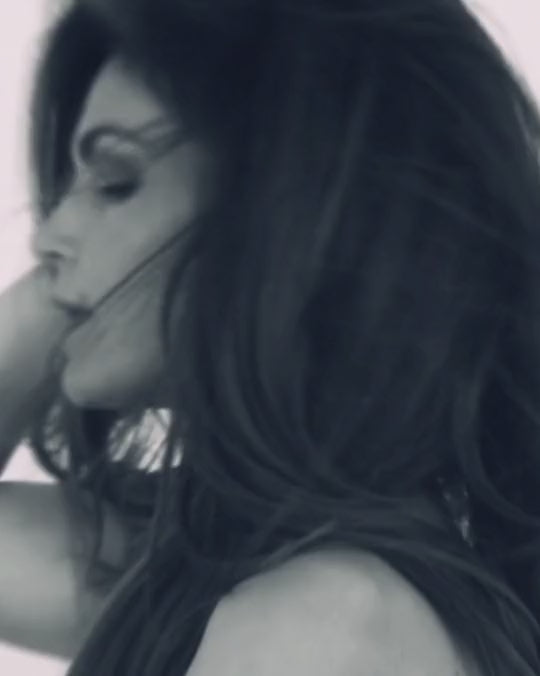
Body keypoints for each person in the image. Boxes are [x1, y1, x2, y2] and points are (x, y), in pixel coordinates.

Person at [1, 0, 540, 673]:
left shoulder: (317, 624)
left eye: (116, 182)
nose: (48, 236)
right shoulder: (216, 568)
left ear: (285, 213)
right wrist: (65, 295)